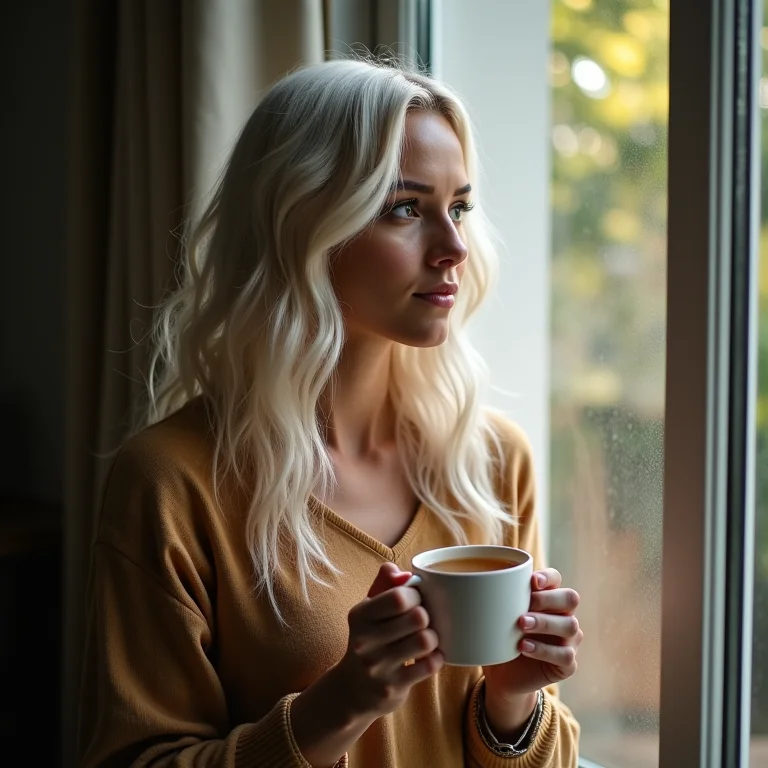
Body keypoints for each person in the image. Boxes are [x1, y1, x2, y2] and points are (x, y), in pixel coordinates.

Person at [78, 57, 582, 768]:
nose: (455, 248)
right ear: (303, 222)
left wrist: (515, 704)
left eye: (460, 207)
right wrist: (338, 706)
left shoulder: (493, 463)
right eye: (406, 208)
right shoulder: (171, 483)